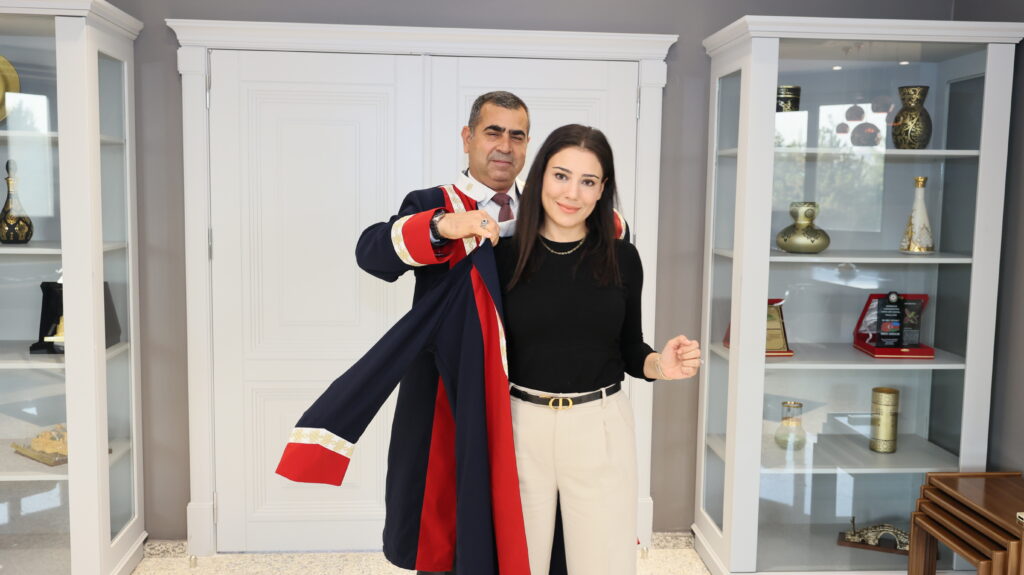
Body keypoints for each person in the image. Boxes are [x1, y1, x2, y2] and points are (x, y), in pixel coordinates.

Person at [487, 124, 701, 574]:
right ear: (540, 176)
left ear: (603, 189)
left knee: (602, 563)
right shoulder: (502, 257)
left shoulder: (622, 258)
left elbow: (630, 349)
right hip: (519, 425)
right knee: (517, 563)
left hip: (600, 426)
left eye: (588, 181)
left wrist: (661, 365)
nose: (572, 193)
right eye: (561, 176)